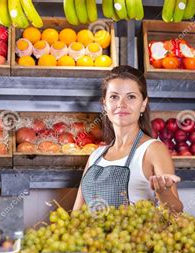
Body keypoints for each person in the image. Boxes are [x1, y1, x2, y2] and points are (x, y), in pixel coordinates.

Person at [73, 65, 183, 212]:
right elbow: (77, 213)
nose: (121, 104)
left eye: (131, 97)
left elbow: (176, 213)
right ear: (104, 104)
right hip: (91, 235)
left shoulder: (153, 149)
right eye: (114, 97)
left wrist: (163, 192)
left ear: (143, 104)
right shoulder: (96, 155)